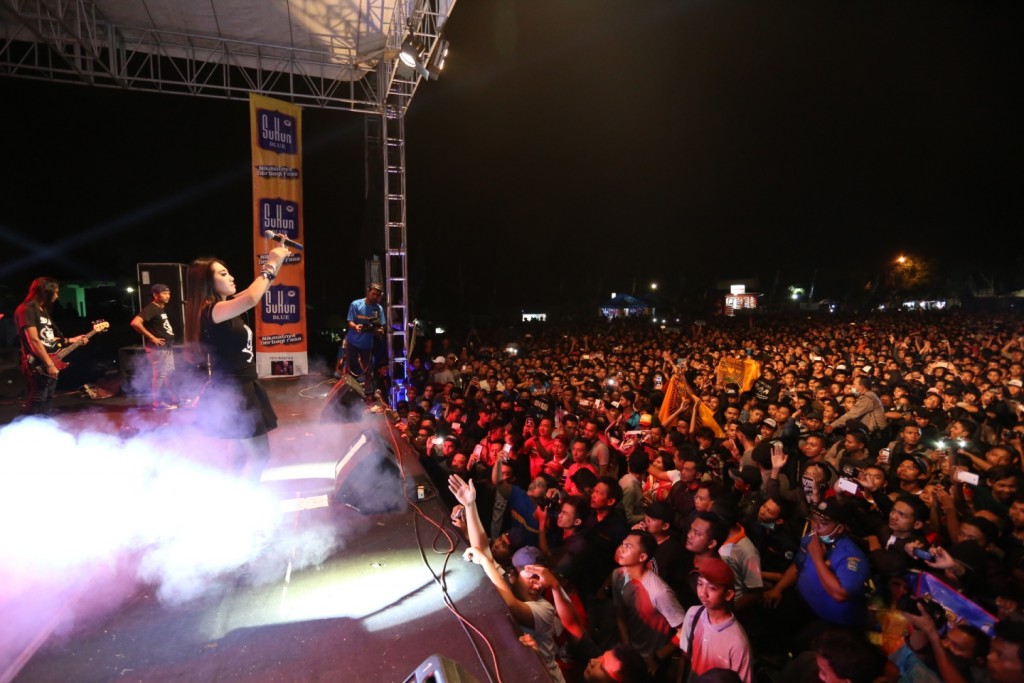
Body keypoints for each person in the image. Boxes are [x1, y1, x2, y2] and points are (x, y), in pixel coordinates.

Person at [184, 247, 290, 480]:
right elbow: (253, 297)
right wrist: (271, 262)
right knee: (259, 456)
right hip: (236, 392)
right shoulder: (214, 311)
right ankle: (246, 506)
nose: (230, 276)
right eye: (222, 274)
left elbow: (256, 291)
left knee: (240, 457)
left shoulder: (224, 307)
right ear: (206, 282)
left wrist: (279, 260)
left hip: (236, 390)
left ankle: (237, 503)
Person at [14, 276, 91, 416]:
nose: (57, 296)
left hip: (51, 360)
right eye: (55, 292)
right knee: (38, 398)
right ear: (46, 291)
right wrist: (49, 364)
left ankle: (44, 428)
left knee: (48, 398)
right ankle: (26, 429)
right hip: (38, 363)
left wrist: (71, 340)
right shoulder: (27, 309)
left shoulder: (42, 311)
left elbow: (47, 338)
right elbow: (34, 340)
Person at [130, 283, 180, 410]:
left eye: (168, 293)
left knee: (168, 373)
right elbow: (135, 323)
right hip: (158, 349)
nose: (167, 296)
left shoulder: (159, 308)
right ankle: (157, 403)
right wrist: (152, 338)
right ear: (155, 295)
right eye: (164, 293)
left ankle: (175, 398)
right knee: (160, 375)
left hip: (166, 347)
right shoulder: (151, 308)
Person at [345, 282, 386, 396]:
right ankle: (350, 391)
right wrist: (356, 326)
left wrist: (379, 330)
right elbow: (350, 322)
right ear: (368, 292)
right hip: (353, 342)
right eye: (373, 294)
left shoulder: (379, 309)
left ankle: (369, 393)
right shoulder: (356, 304)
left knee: (369, 371)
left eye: (378, 295)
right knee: (351, 368)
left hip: (367, 345)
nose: (375, 297)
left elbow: (381, 325)